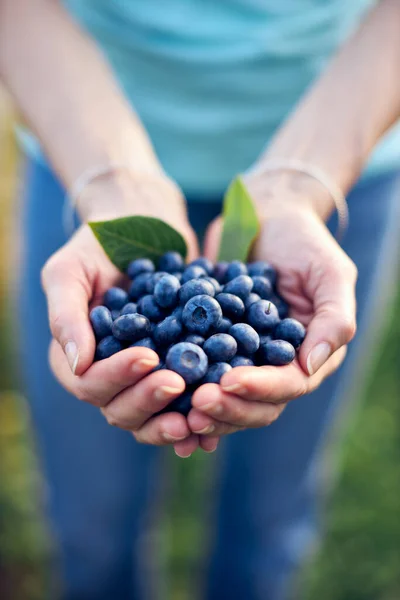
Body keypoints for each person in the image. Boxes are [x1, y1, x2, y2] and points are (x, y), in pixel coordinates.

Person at [1, 0, 400, 598]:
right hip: (80, 150)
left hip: (344, 156)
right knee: (89, 517)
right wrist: (112, 183)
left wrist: (299, 181)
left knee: (272, 515)